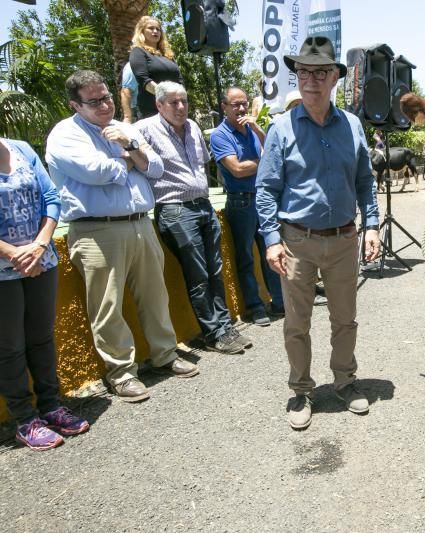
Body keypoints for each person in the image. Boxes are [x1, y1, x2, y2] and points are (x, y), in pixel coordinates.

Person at [45, 70, 198, 403]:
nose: (105, 105)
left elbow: (156, 167)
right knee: (107, 305)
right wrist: (131, 159)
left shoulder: (126, 129)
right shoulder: (64, 135)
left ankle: (165, 354)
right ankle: (122, 373)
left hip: (141, 222)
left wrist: (129, 146)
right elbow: (99, 172)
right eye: (95, 101)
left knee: (155, 294)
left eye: (107, 97)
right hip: (97, 229)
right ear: (76, 104)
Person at [256, 36, 381, 430]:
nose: (311, 79)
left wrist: (373, 225)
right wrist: (272, 239)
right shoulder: (280, 128)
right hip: (297, 241)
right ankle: (301, 390)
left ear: (333, 79)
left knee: (346, 319)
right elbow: (266, 189)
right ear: (298, 77)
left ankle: (345, 380)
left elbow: (365, 179)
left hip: (344, 239)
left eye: (320, 72)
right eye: (304, 72)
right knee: (297, 322)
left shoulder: (353, 125)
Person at [137, 81, 250, 355]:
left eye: (184, 101)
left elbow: (201, 165)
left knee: (215, 270)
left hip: (203, 205)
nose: (180, 107)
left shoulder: (194, 127)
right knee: (197, 275)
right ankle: (213, 333)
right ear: (159, 104)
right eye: (173, 102)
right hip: (175, 209)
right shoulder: (145, 130)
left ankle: (225, 326)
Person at [0, 137, 90, 450]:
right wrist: (14, 254)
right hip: (4, 270)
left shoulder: (21, 149)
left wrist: (39, 245)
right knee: (9, 346)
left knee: (41, 337)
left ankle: (51, 406)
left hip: (41, 260)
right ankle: (25, 419)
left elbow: (51, 198)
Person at [210, 86, 284, 326]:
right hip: (240, 201)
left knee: (271, 250)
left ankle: (280, 301)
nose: (241, 108)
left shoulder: (250, 130)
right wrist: (265, 162)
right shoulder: (220, 135)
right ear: (224, 107)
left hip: (261, 198)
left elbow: (274, 150)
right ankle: (254, 306)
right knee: (245, 257)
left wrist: (258, 129)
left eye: (243, 103)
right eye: (235, 105)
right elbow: (238, 169)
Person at [129, 16, 183, 119]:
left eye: (158, 29)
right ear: (142, 31)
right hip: (152, 109)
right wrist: (167, 98)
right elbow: (144, 79)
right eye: (151, 28)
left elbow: (179, 79)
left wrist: (180, 99)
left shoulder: (167, 55)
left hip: (176, 107)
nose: (155, 31)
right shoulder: (138, 51)